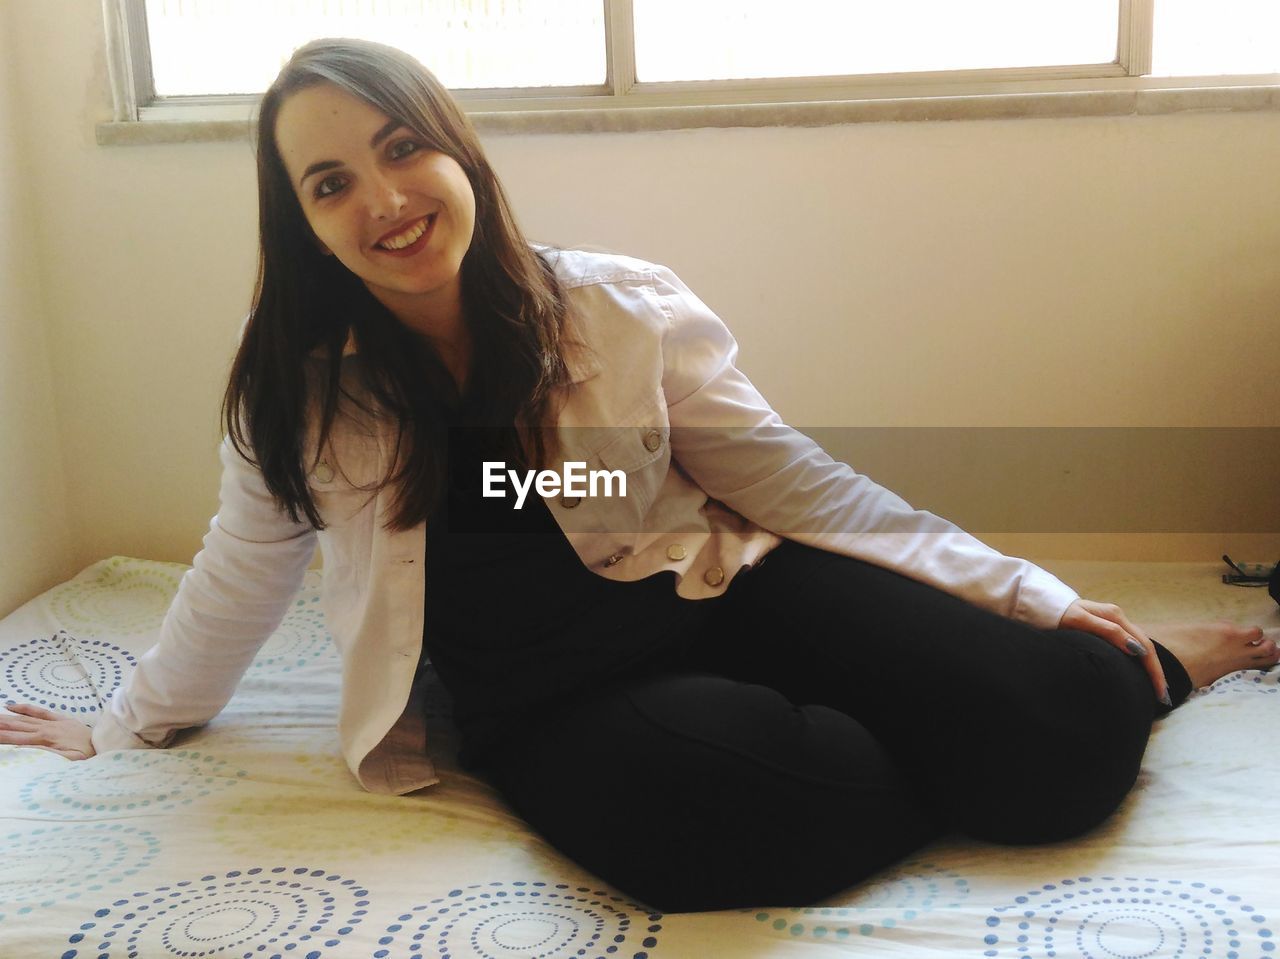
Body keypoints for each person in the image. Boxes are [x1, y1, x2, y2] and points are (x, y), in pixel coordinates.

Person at [1, 38, 1276, 914]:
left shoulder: (613, 312)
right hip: (548, 693)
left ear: (457, 150)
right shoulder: (300, 390)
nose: (382, 198)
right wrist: (127, 721)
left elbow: (796, 485)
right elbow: (238, 570)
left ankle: (1145, 666)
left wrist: (1023, 595)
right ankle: (946, 741)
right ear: (303, 221)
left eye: (402, 149)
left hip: (726, 584)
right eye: (330, 182)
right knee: (706, 823)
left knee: (1053, 742)